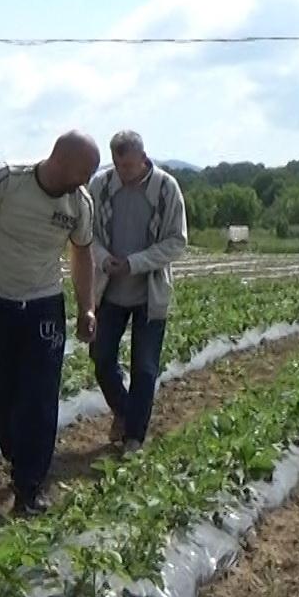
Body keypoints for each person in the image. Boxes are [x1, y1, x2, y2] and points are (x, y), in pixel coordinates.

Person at [0, 131, 99, 515]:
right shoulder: (5, 180)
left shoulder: (80, 203)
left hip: (44, 306)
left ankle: (30, 485)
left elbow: (82, 256)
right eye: (84, 172)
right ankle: (18, 458)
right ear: (61, 161)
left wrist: (87, 307)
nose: (87, 181)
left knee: (40, 396)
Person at [88, 130, 189, 453]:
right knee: (101, 358)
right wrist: (104, 260)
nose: (124, 173)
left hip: (149, 292)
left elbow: (177, 241)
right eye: (119, 166)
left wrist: (134, 263)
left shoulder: (165, 188)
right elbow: (86, 234)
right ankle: (123, 410)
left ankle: (134, 438)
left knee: (144, 369)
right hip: (109, 290)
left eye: (130, 166)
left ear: (144, 158)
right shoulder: (100, 186)